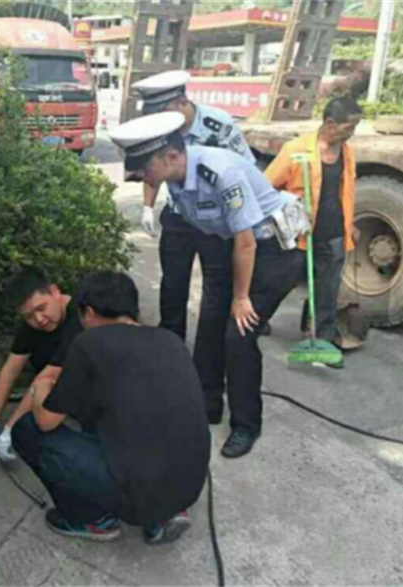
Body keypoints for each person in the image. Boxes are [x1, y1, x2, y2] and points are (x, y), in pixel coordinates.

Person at [109, 112, 308, 459]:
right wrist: (221, 289)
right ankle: (207, 404)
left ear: (172, 156)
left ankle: (246, 424)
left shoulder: (220, 172)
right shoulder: (176, 179)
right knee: (210, 321)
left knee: (239, 334)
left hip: (272, 253)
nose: (141, 176)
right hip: (233, 247)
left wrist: (241, 297)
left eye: (145, 167)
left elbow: (246, 242)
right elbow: (212, 232)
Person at [11, 271, 210, 545]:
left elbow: (46, 421)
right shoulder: (171, 340)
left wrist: (41, 387)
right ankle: (163, 515)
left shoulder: (89, 343)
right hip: (189, 485)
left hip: (139, 492)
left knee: (27, 430)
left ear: (89, 313)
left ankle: (92, 519)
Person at [130, 70, 262, 417]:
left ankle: (207, 387)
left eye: (162, 111)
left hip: (216, 222)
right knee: (172, 285)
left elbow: (245, 171)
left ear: (181, 102)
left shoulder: (219, 126)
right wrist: (147, 206)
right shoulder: (161, 130)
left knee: (215, 298)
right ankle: (170, 358)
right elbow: (149, 170)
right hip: (180, 215)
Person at [264, 97, 361, 368]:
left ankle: (323, 341)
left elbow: (343, 191)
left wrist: (349, 223)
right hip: (300, 233)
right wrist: (290, 207)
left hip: (333, 232)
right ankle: (257, 319)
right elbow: (266, 187)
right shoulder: (296, 150)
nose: (352, 133)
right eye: (348, 127)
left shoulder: (346, 152)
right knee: (281, 283)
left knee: (327, 290)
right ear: (329, 124)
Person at [0, 269, 83, 461]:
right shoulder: (32, 325)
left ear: (55, 292)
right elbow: (11, 368)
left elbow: (50, 374)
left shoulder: (79, 319)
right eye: (29, 316)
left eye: (42, 308)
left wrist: (10, 429)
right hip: (53, 386)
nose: (39, 319)